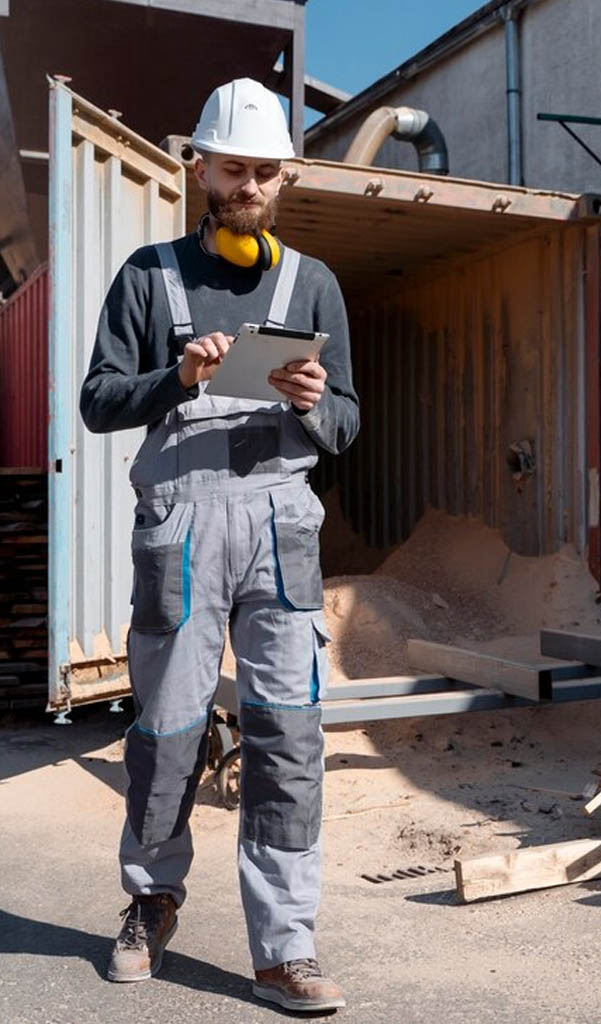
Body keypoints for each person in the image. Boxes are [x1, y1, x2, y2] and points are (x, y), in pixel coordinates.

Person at [79, 78, 359, 1014]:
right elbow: (96, 401)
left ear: (285, 176)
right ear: (200, 166)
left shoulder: (311, 282)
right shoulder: (149, 276)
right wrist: (174, 377)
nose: (250, 186)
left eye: (266, 172)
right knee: (166, 731)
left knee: (288, 735)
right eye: (235, 168)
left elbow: (351, 424)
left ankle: (286, 946)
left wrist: (317, 405)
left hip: (281, 528)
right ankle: (150, 899)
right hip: (183, 529)